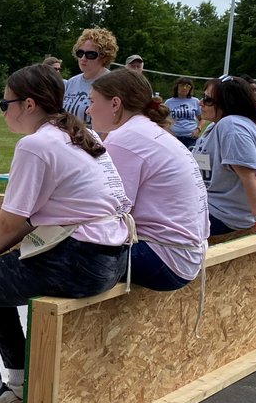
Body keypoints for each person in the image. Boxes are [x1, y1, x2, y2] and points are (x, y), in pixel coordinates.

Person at [0, 64, 132, 403]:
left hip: (80, 259)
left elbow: (12, 221)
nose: (3, 110)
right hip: (113, 257)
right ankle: (19, 383)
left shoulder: (35, 145)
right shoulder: (79, 135)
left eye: (5, 103)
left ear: (28, 105)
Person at [87, 70, 208, 291]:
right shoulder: (149, 130)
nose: (88, 109)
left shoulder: (125, 138)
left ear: (115, 104)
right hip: (185, 255)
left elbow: (107, 211)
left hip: (165, 259)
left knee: (52, 259)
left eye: (92, 101)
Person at [194, 77, 256, 237]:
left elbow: (250, 175)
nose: (201, 103)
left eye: (207, 100)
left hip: (222, 215)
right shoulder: (218, 125)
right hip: (214, 208)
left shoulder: (232, 126)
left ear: (227, 102)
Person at [63, 27, 117, 124]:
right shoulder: (71, 82)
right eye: (80, 53)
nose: (83, 58)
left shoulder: (112, 83)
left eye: (90, 54)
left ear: (104, 57)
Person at [164, 77, 202, 149]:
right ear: (177, 87)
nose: (184, 88)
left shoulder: (195, 101)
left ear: (190, 88)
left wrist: (198, 129)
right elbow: (162, 121)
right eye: (182, 85)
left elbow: (202, 118)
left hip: (191, 138)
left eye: (187, 86)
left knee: (191, 159)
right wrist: (169, 133)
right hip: (174, 138)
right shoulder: (168, 102)